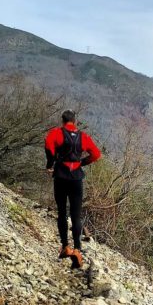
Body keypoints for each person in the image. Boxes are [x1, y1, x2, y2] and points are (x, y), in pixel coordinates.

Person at [44, 110, 101, 267]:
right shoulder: (84, 137)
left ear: (62, 121)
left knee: (62, 212)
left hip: (61, 176)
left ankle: (65, 246)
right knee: (76, 215)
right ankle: (77, 249)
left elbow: (48, 145)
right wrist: (81, 163)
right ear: (74, 121)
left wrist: (50, 164)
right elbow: (96, 154)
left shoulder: (56, 133)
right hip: (76, 178)